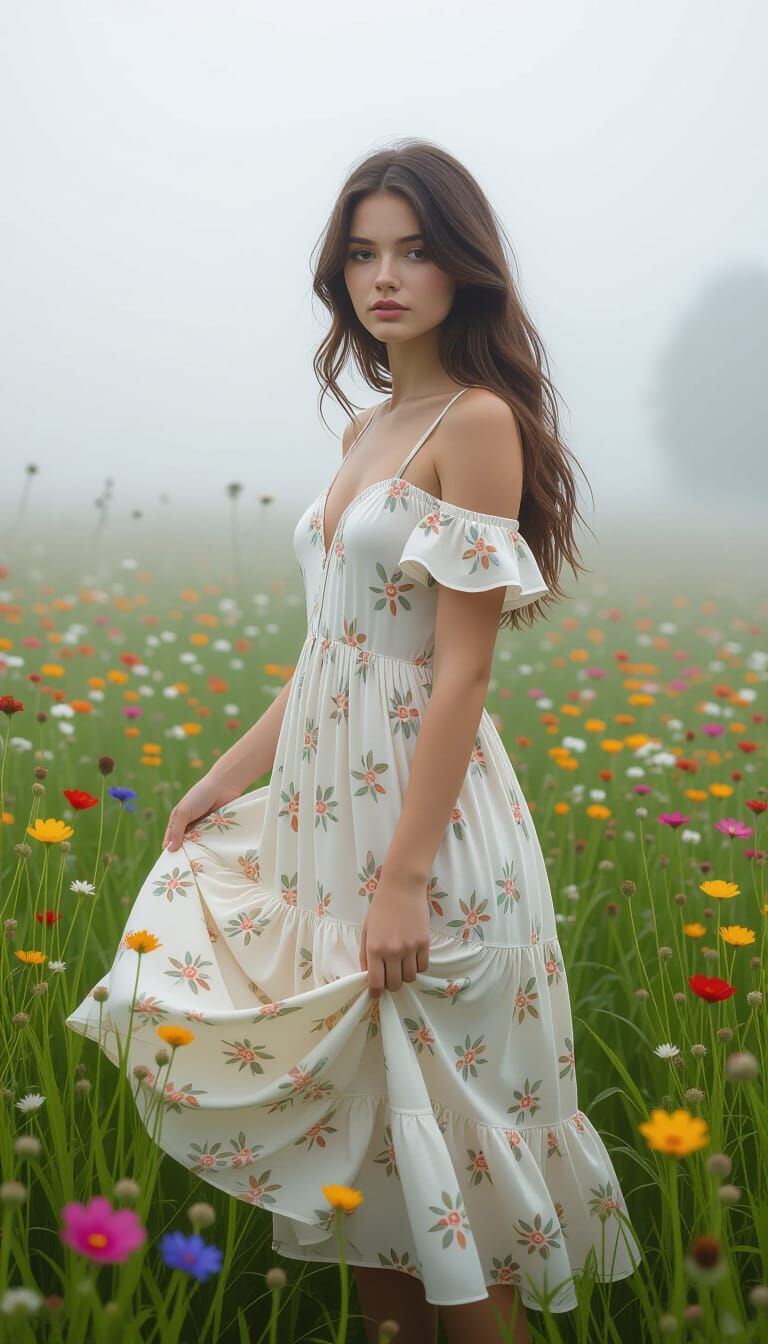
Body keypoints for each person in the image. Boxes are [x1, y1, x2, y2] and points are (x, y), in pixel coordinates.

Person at [66, 139, 642, 1344]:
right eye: (365, 252)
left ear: (464, 267)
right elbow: (335, 651)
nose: (387, 275)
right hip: (329, 838)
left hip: (426, 849)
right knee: (372, 1191)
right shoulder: (369, 428)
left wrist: (406, 878)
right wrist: (224, 780)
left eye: (417, 249)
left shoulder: (477, 422)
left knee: (462, 1211)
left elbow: (460, 669)